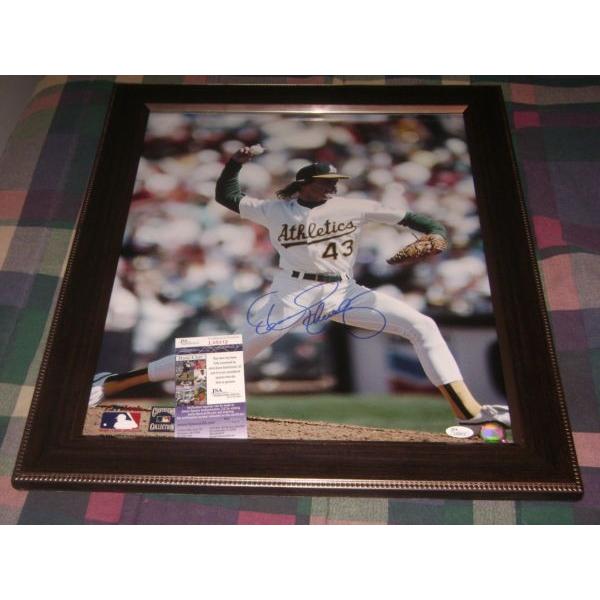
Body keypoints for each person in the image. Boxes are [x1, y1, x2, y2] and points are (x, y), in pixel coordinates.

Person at [90, 147, 510, 428]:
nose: (333, 186)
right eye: (325, 182)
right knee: (232, 356)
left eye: (335, 181)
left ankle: (468, 411)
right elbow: (227, 196)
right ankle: (112, 383)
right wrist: (234, 164)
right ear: (303, 184)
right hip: (292, 294)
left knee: (423, 325)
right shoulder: (275, 209)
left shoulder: (353, 206)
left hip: (344, 291)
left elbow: (417, 220)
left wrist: (436, 234)